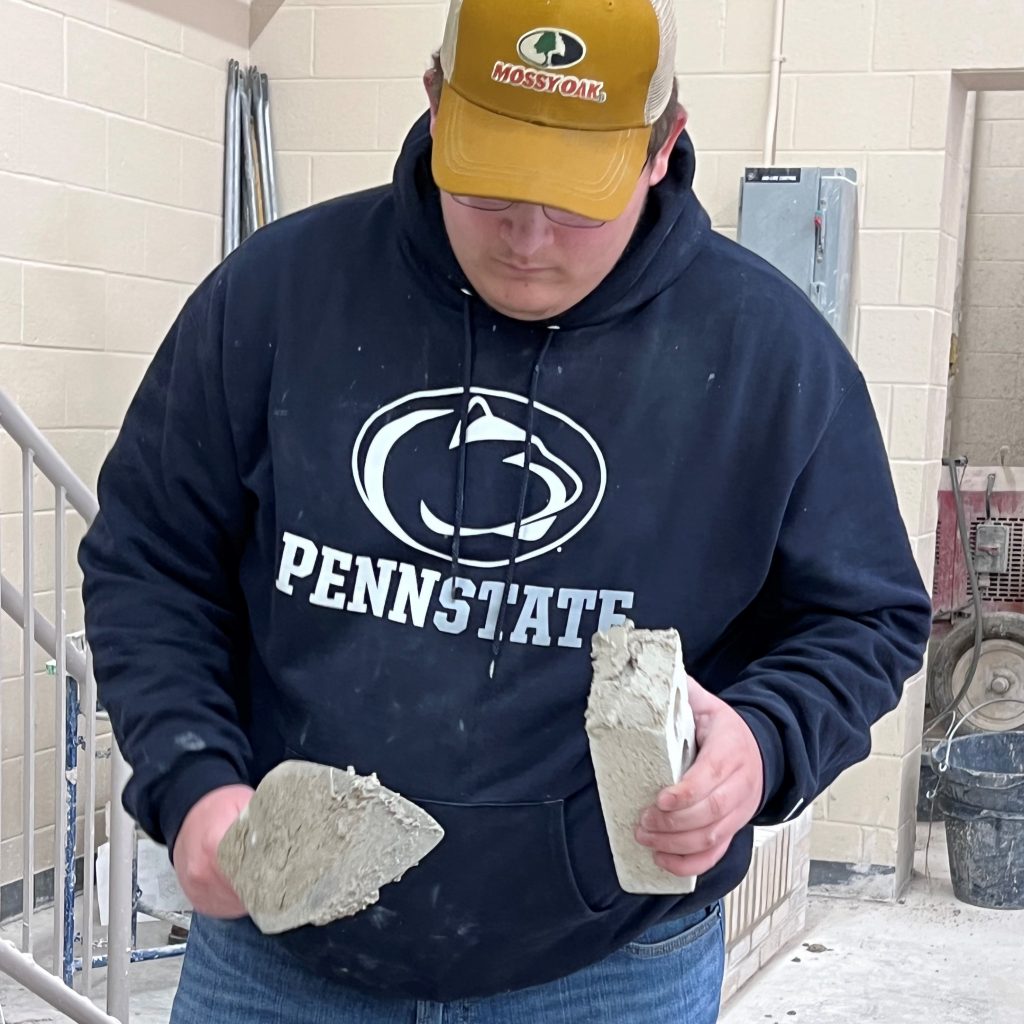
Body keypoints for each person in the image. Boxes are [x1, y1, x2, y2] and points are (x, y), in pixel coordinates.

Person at [79, 0, 932, 1021]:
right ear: (437, 107)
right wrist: (195, 782)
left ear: (663, 147)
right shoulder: (274, 297)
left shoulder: (767, 355)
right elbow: (150, 562)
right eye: (489, 189)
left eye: (576, 204)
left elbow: (866, 616)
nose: (528, 240)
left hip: (609, 966)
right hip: (280, 959)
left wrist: (762, 740)